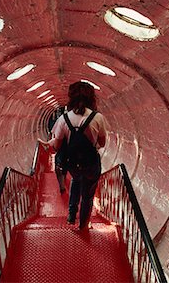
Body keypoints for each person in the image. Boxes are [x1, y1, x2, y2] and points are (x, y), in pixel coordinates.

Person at [39, 81, 107, 230]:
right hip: (91, 164)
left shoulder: (63, 119)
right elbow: (102, 143)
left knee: (76, 180)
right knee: (88, 196)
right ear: (92, 98)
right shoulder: (98, 118)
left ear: (71, 98)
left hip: (73, 163)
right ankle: (83, 225)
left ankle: (71, 214)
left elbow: (56, 146)